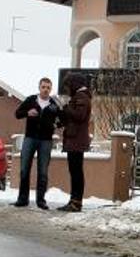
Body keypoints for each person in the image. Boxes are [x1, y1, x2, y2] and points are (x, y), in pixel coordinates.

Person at [12, 77, 61, 209]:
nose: (45, 90)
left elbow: (61, 120)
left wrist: (56, 123)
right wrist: (27, 112)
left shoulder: (54, 104)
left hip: (46, 140)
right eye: (43, 87)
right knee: (24, 169)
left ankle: (41, 200)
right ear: (39, 88)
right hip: (30, 138)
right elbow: (17, 114)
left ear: (51, 89)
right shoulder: (31, 100)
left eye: (48, 88)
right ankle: (22, 199)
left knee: (43, 171)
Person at [57, 72, 94, 212]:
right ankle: (74, 201)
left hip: (76, 140)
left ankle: (76, 202)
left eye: (68, 85)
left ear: (75, 83)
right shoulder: (79, 97)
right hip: (74, 139)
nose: (68, 88)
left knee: (76, 172)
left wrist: (65, 106)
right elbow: (72, 118)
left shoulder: (82, 97)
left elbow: (79, 116)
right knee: (75, 171)